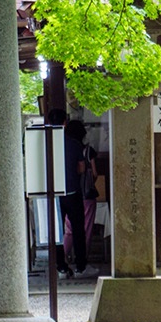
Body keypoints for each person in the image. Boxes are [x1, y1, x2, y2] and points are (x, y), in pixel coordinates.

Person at [62, 120, 99, 269]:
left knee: (69, 229)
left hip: (69, 192)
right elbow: (95, 173)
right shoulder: (88, 151)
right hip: (87, 195)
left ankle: (64, 257)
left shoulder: (64, 147)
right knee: (86, 229)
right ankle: (82, 260)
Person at [59, 118, 91, 278]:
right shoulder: (73, 144)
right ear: (64, 122)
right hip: (73, 192)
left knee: (57, 232)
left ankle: (61, 267)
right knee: (78, 230)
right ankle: (80, 267)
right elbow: (81, 168)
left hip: (54, 195)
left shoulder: (46, 143)